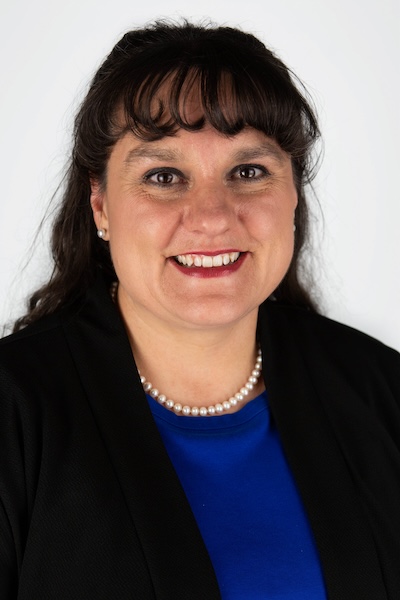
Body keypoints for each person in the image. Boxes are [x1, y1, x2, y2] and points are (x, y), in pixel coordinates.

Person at [0, 20, 399, 600]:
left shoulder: (381, 391)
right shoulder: (13, 412)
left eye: (248, 171)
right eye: (164, 176)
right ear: (100, 205)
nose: (212, 216)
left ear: (293, 194)